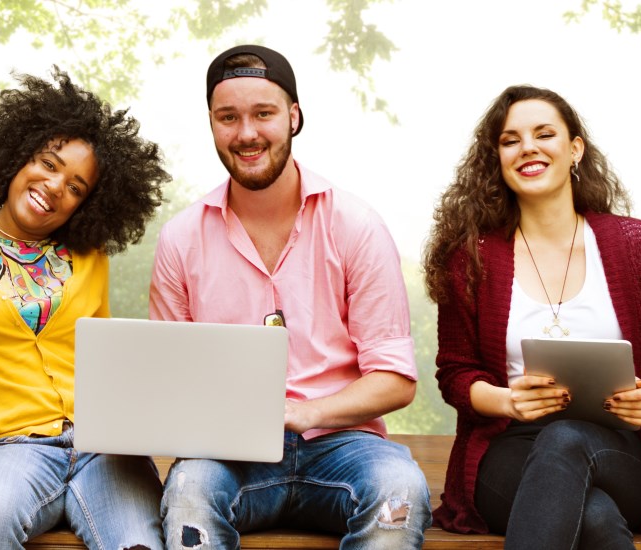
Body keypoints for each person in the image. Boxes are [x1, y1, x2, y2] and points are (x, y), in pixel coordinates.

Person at [149, 44, 430, 549]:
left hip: (346, 445)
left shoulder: (356, 226)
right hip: (228, 453)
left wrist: (303, 413)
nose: (247, 133)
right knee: (188, 491)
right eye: (228, 117)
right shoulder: (180, 238)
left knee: (400, 491)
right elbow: (170, 381)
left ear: (294, 117)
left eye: (264, 114)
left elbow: (395, 381)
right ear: (211, 124)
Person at [422, 85, 641, 548]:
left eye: (544, 134)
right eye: (510, 140)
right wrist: (506, 401)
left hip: (615, 449)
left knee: (567, 439)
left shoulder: (633, 243)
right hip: (508, 448)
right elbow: (456, 373)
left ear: (574, 150)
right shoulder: (472, 257)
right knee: (597, 519)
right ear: (497, 158)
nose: (527, 147)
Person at [0, 69, 169, 549]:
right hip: (15, 449)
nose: (55, 187)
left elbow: (105, 361)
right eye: (48, 163)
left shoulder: (90, 256)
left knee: (139, 545)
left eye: (76, 187)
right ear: (16, 156)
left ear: (86, 205)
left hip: (105, 450)